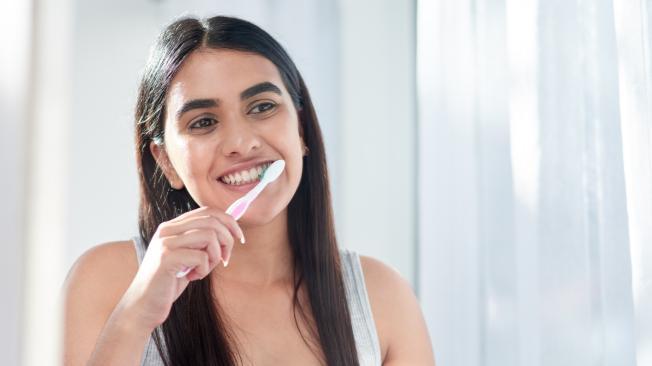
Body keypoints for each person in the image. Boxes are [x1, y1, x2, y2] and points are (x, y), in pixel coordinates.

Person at [62, 15, 435, 366]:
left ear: (301, 130)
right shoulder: (108, 283)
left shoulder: (384, 300)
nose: (240, 142)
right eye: (204, 122)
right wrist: (136, 316)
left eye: (262, 107)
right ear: (166, 162)